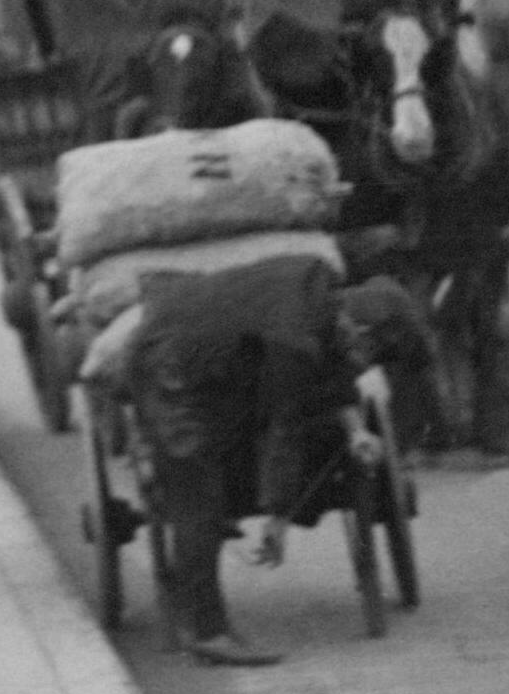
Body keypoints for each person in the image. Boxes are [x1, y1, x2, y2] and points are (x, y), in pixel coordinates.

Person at [126, 255, 430, 665]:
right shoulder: (297, 336)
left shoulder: (317, 298)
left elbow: (333, 376)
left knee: (211, 473)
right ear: (363, 328)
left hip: (203, 361)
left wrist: (356, 431)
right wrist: (279, 515)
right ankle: (208, 632)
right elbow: (281, 425)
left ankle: (201, 619)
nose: (365, 359)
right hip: (170, 366)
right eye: (371, 351)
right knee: (199, 498)